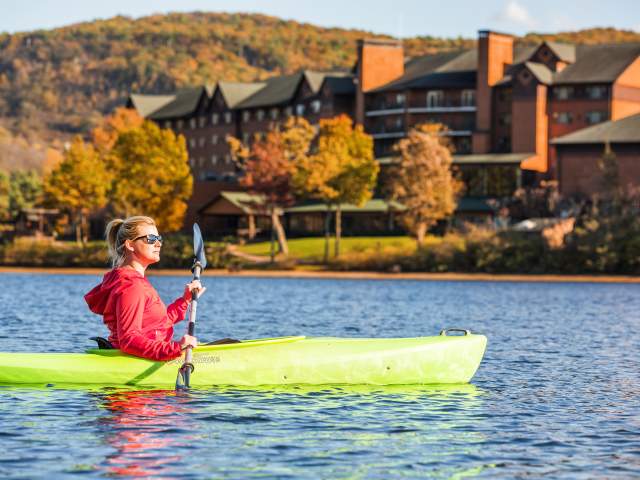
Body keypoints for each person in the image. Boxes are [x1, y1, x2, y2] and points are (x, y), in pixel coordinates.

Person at [85, 216, 205, 361]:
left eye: (159, 238)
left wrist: (184, 300)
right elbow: (129, 339)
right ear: (130, 245)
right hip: (137, 360)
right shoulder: (131, 286)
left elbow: (158, 324)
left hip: (147, 354)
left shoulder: (134, 281)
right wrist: (175, 348)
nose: (158, 244)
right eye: (151, 238)